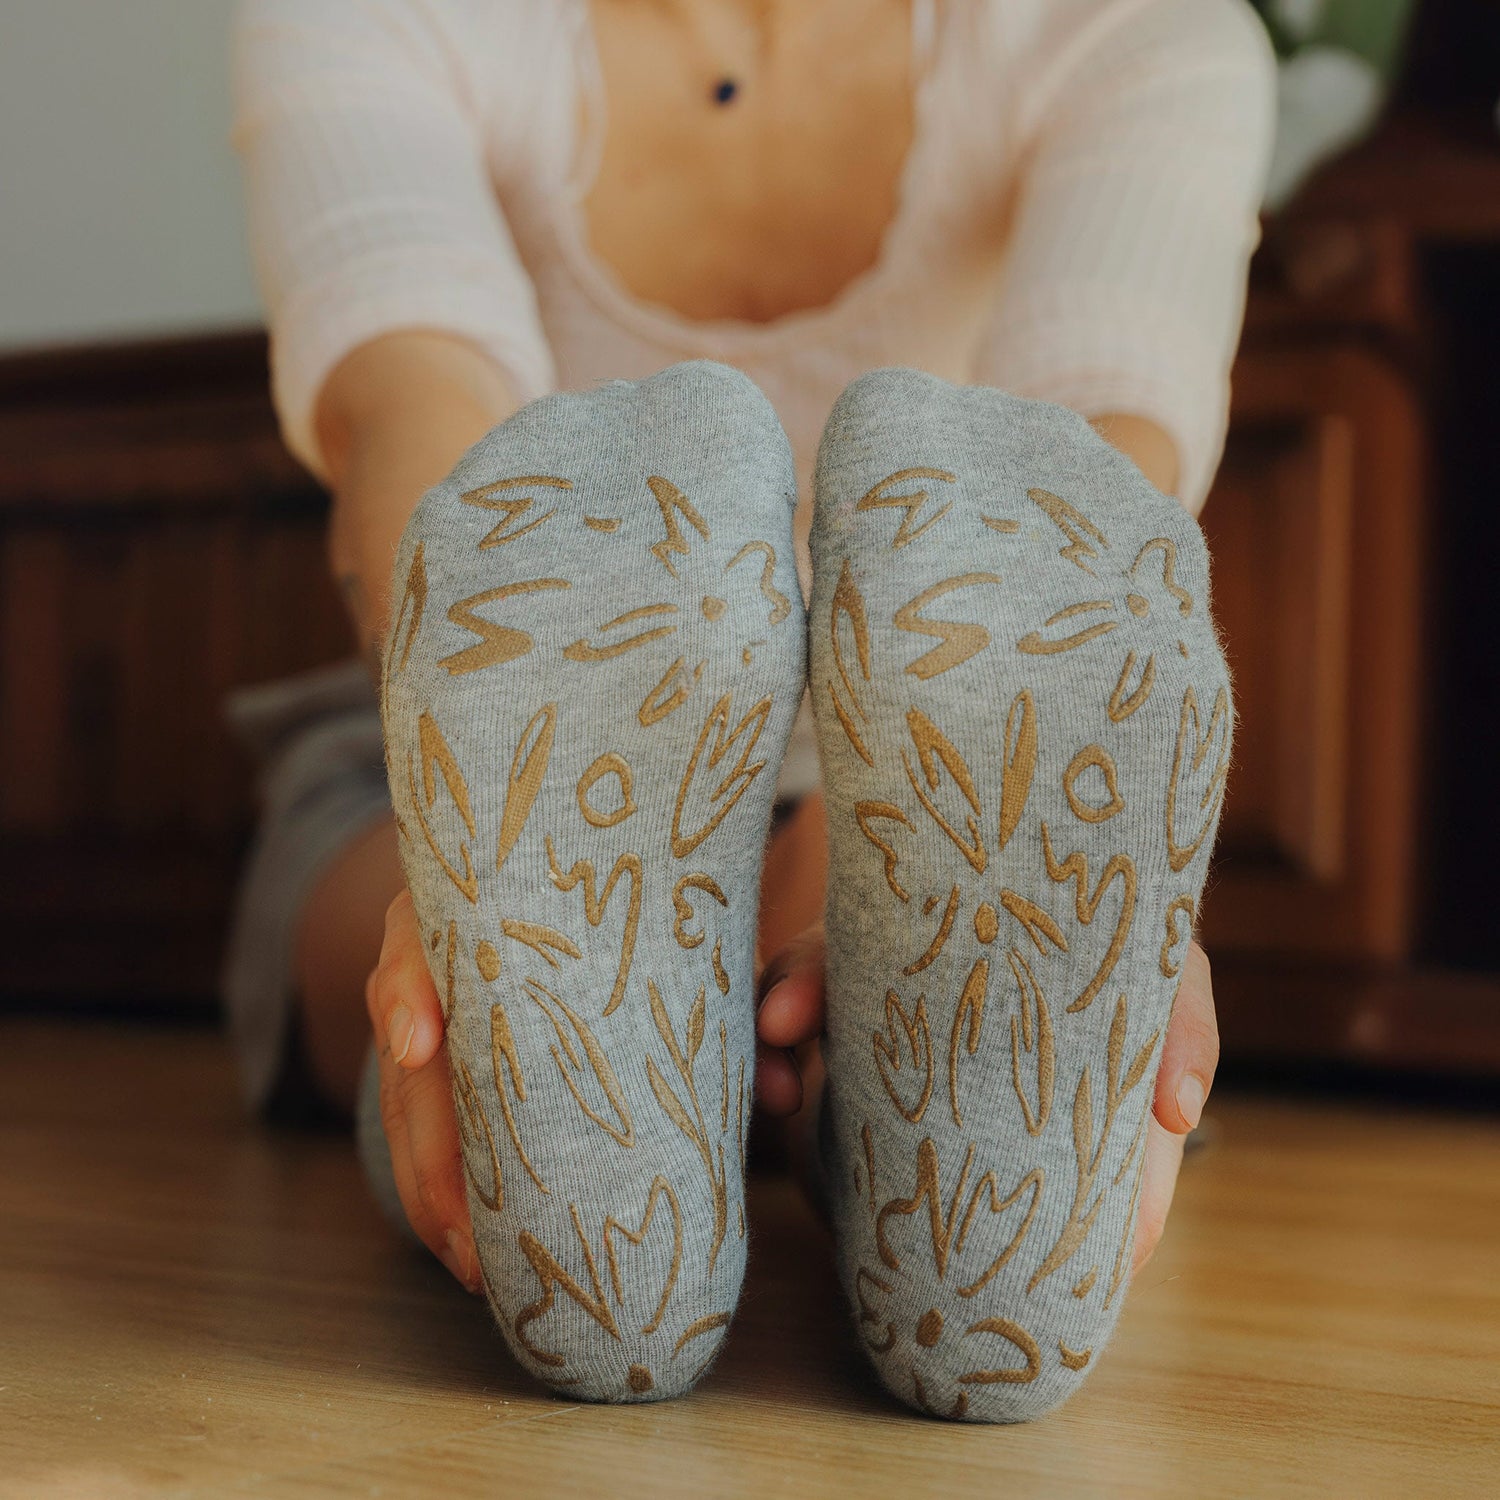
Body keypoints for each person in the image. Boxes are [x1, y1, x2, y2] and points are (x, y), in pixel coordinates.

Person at [227, 0, 1274, 1417]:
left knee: (850, 871)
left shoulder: (1132, 30)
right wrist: (469, 802)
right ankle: (932, 1157)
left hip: (911, 747)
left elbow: (1073, 500)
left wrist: (915, 823)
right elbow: (414, 404)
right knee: (443, 917)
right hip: (523, 726)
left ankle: (610, 1183)